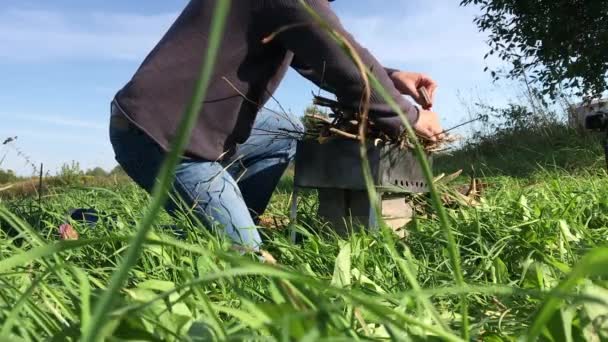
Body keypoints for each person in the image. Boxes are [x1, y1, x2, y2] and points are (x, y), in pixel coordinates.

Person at [109, 0, 444, 251]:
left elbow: (318, 54)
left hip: (183, 127)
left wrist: (393, 77)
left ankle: (231, 221)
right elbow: (339, 54)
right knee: (250, 265)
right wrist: (410, 117)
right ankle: (235, 239)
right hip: (163, 139)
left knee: (282, 132)